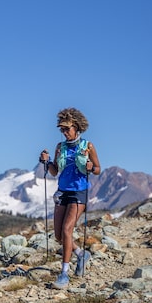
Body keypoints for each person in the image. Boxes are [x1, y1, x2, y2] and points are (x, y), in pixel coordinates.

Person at [39, 107, 101, 289]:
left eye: (67, 129)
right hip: (62, 192)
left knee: (67, 230)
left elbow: (98, 169)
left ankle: (64, 274)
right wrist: (46, 161)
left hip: (79, 192)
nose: (65, 132)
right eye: (62, 130)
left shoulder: (88, 146)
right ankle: (81, 254)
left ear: (76, 127)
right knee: (59, 235)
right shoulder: (60, 147)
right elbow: (54, 171)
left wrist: (91, 167)